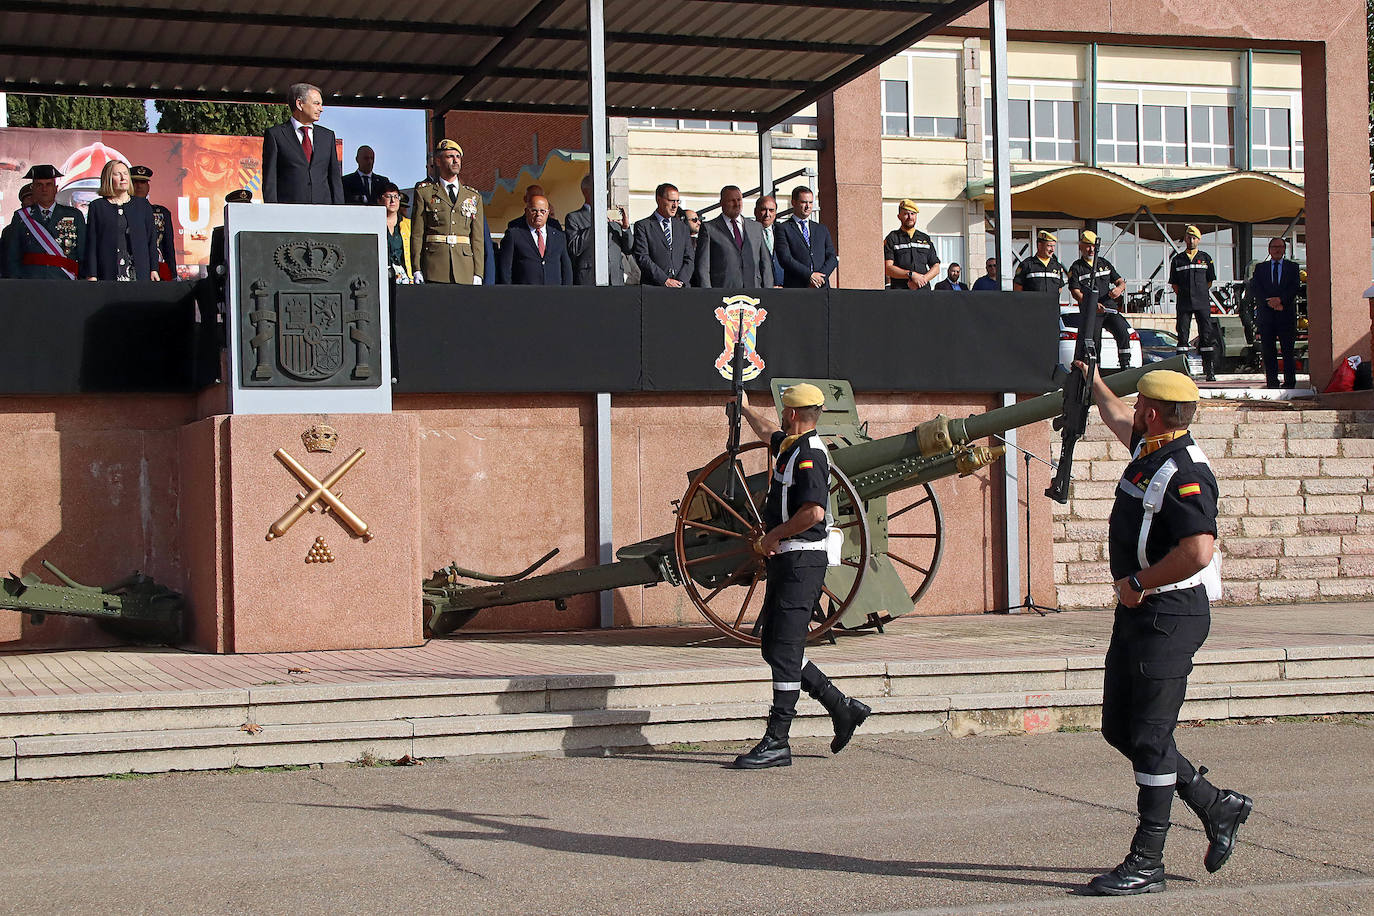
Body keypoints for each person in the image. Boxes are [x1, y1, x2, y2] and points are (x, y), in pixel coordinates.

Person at [1081, 366, 1252, 896]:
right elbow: (1113, 415)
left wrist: (1137, 580)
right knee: (1120, 729)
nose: (1131, 414)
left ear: (1152, 413)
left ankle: (1147, 859)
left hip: (1170, 613)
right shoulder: (1151, 445)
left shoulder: (1185, 470)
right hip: (1139, 610)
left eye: (1138, 408)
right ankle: (1215, 805)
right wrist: (1090, 380)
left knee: (1151, 737)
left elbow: (1198, 550)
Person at [730, 382, 871, 768]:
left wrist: (772, 535)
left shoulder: (810, 454)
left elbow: (814, 513)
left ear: (791, 414)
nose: (777, 417)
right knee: (774, 647)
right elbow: (765, 432)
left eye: (781, 411)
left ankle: (778, 740)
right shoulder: (790, 446)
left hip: (802, 561)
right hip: (786, 561)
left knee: (786, 650)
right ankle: (841, 707)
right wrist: (743, 408)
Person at [410, 139, 485, 285]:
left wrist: (478, 272)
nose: (455, 161)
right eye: (450, 156)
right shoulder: (425, 193)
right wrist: (416, 268)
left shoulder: (473, 196)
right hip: (435, 267)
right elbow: (417, 234)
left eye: (458, 157)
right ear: (438, 161)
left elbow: (477, 238)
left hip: (465, 268)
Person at [261, 82, 345, 204]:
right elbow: (270, 180)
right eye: (316, 104)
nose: (321, 109)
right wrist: (273, 211)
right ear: (299, 104)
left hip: (323, 212)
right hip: (289, 211)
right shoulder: (276, 135)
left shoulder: (327, 136)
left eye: (321, 104)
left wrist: (339, 211)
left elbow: (334, 179)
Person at [79, 160, 159, 282]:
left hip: (138, 272)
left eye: (125, 173)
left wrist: (154, 268)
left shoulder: (142, 205)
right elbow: (92, 243)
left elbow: (151, 240)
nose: (123, 178)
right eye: (117, 174)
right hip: (108, 271)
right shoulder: (98, 206)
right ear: (108, 179)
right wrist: (92, 274)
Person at [3, 164, 85, 279]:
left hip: (65, 283)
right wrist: (18, 285)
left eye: (48, 184)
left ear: (56, 189)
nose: (44, 189)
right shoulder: (21, 216)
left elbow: (83, 254)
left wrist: (81, 284)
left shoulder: (74, 215)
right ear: (33, 188)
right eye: (39, 185)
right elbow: (13, 257)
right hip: (31, 284)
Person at [1067, 230, 1132, 368]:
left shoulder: (1104, 263)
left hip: (1109, 309)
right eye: (1088, 246)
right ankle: (1095, 372)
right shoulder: (1077, 267)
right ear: (1081, 246)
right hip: (1092, 312)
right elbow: (1075, 292)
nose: (1091, 250)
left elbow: (1121, 281)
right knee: (1094, 343)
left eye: (1094, 246)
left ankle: (1125, 365)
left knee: (1123, 332)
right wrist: (1090, 304)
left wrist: (1118, 289)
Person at [694, 185, 773, 289]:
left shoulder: (756, 227)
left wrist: (768, 292)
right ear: (721, 203)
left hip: (753, 293)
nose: (737, 204)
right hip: (723, 293)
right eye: (732, 200)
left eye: (739, 200)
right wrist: (708, 294)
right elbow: (703, 267)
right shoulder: (709, 228)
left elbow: (765, 264)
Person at [1248, 237, 1302, 389]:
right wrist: (1270, 302)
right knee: (1268, 350)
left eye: (1280, 247)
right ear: (1269, 250)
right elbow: (1256, 288)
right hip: (1267, 316)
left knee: (1288, 350)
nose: (1277, 249)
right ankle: (1272, 382)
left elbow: (1294, 287)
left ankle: (1290, 382)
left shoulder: (1292, 267)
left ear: (1284, 249)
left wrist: (1281, 301)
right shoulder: (1261, 268)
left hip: (1285, 314)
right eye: (1274, 247)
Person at [1168, 226, 1221, 382]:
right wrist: (1186, 294)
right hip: (1184, 302)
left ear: (1199, 240)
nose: (1191, 240)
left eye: (1194, 238)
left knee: (1206, 335)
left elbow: (1209, 280)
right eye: (1188, 237)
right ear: (1185, 239)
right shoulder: (1177, 260)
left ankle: (1209, 370)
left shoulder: (1205, 258)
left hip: (1202, 302)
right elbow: (1174, 284)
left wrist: (1200, 292)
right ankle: (1182, 370)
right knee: (1182, 335)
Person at [565, 174, 632, 286]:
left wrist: (625, 228)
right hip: (590, 279)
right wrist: (597, 223)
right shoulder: (574, 217)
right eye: (600, 189)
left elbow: (628, 248)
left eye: (605, 190)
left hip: (615, 280)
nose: (604, 194)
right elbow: (574, 248)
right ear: (586, 192)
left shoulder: (611, 219)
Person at [497, 195, 572, 285]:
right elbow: (505, 268)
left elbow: (566, 269)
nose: (538, 214)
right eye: (534, 210)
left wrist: (566, 293)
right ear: (526, 211)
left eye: (542, 211)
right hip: (524, 294)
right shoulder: (514, 235)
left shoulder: (558, 236)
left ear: (548, 213)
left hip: (553, 294)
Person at [632, 182, 694, 287]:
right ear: (659, 200)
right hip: (654, 288)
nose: (675, 205)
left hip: (681, 289)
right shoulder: (643, 226)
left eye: (677, 201)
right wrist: (664, 280)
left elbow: (689, 258)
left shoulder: (682, 227)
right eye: (671, 201)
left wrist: (681, 281)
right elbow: (642, 257)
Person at [775, 186, 838, 288]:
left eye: (811, 202)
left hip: (821, 288)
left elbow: (832, 258)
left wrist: (820, 278)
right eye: (804, 202)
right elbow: (785, 259)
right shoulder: (783, 228)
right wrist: (809, 276)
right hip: (797, 288)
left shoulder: (821, 229)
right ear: (794, 203)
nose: (808, 206)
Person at [129, 166, 178, 281]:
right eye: (135, 182)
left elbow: (168, 247)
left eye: (143, 182)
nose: (139, 186)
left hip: (155, 269)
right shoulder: (118, 212)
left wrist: (173, 274)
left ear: (148, 186)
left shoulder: (161, 213)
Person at [882, 199, 940, 291]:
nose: (910, 217)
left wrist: (921, 280)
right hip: (900, 292)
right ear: (899, 216)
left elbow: (936, 267)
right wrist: (910, 275)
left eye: (913, 214)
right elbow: (888, 268)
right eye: (906, 214)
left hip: (923, 291)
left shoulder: (925, 238)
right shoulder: (892, 238)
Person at [210, 188, 252, 309]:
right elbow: (214, 265)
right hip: (229, 286)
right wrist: (218, 297)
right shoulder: (220, 233)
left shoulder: (256, 234)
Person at [1013, 230, 1068, 296]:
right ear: (1040, 245)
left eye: (1054, 246)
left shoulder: (1057, 266)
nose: (1052, 249)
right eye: (1049, 246)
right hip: (1033, 305)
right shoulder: (1027, 265)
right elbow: (1017, 289)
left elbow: (1059, 288)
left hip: (1052, 305)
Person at [376, 183, 411, 282]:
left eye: (396, 197)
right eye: (388, 196)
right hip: (380, 276)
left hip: (404, 276)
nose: (393, 200)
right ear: (379, 200)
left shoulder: (408, 225)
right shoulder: (374, 225)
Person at [0, 183, 35, 278]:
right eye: (29, 198)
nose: (32, 201)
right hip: (20, 280)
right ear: (22, 204)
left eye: (35, 198)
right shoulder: (9, 230)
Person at [754, 195, 784, 287]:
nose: (767, 214)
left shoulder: (782, 231)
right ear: (755, 211)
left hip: (783, 288)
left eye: (771, 210)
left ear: (775, 213)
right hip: (760, 289)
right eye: (763, 209)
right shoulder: (748, 233)